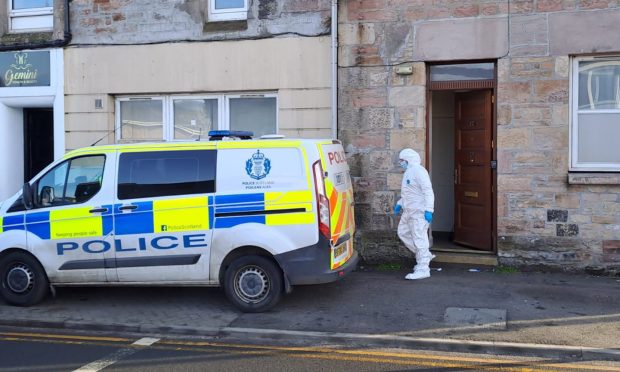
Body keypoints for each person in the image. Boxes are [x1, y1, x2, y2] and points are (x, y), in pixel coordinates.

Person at [393, 148, 435, 280]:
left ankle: (423, 268)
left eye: (402, 160)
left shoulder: (419, 171)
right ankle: (424, 255)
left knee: (419, 238)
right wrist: (400, 203)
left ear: (408, 160)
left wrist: (429, 209)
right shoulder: (408, 172)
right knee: (402, 232)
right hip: (409, 210)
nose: (400, 163)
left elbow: (428, 191)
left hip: (419, 212)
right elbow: (409, 192)